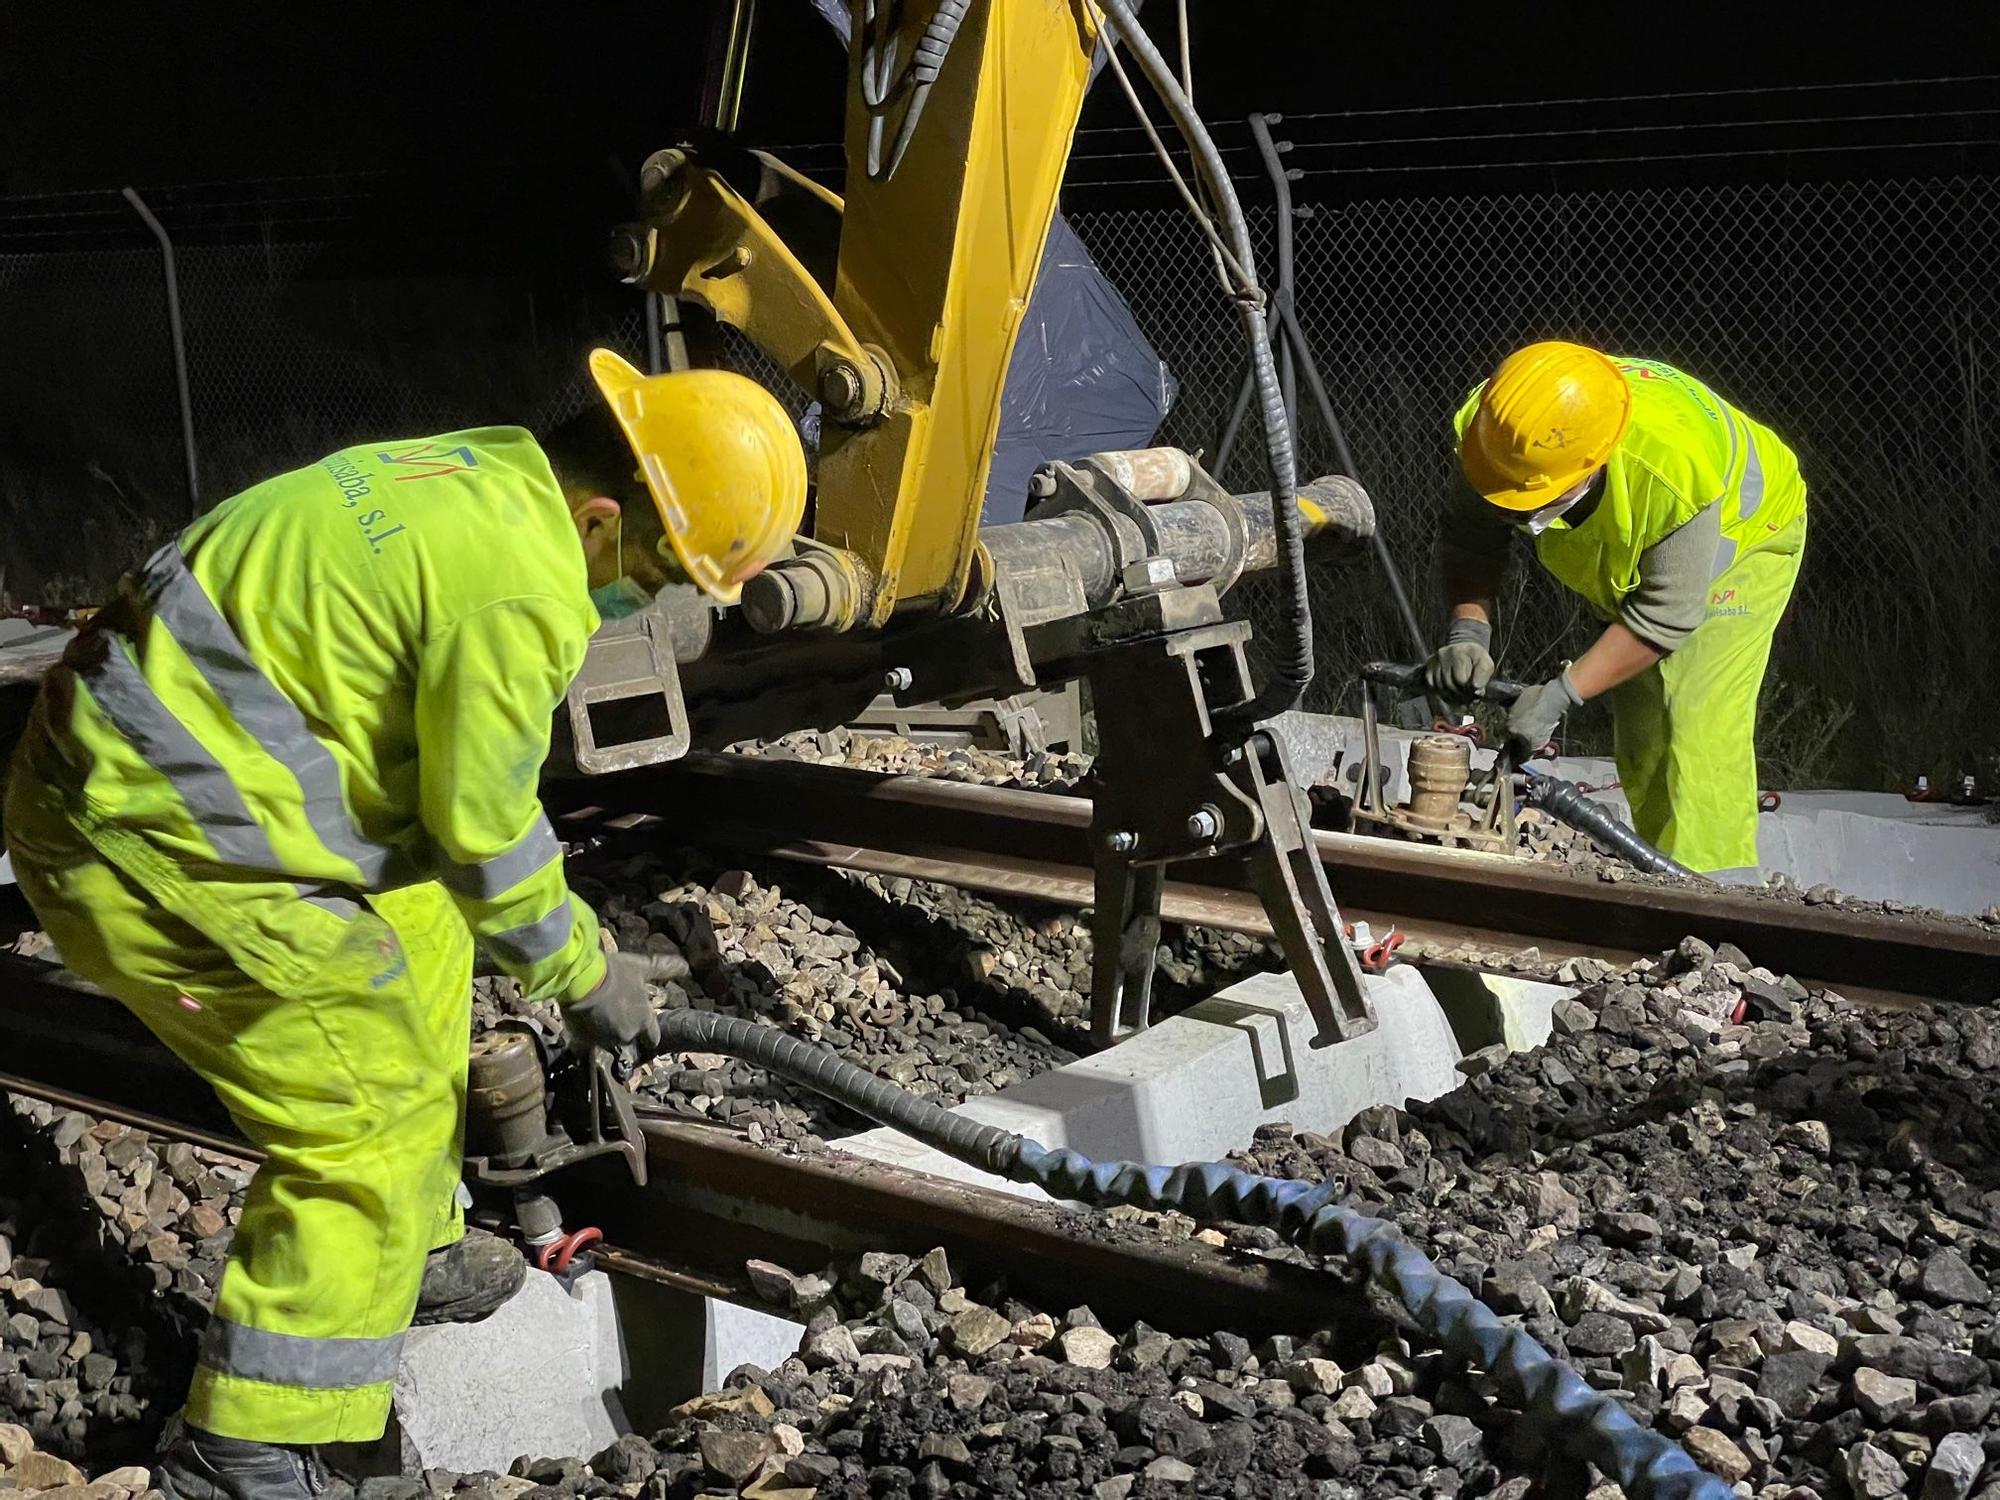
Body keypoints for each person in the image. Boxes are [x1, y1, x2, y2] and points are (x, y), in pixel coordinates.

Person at [2, 350, 807, 1500]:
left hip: (161, 772)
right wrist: (585, 970)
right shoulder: (523, 585)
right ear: (596, 516)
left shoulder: (480, 470)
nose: (655, 599)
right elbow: (483, 825)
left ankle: (410, 1245)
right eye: (657, 568)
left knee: (423, 924)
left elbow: (446, 844)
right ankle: (246, 1441)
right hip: (139, 839)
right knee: (366, 1111)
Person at [1425, 341, 1807, 877]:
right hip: (1644, 546)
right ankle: (1663, 871)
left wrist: (1561, 694)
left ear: (1587, 467)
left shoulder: (1671, 467)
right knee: (1642, 724)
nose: (1514, 510)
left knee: (1696, 712)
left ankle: (1718, 896)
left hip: (1745, 538)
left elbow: (1664, 616)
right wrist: (1469, 631)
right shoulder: (1501, 436)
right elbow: (1471, 540)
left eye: (1528, 500)